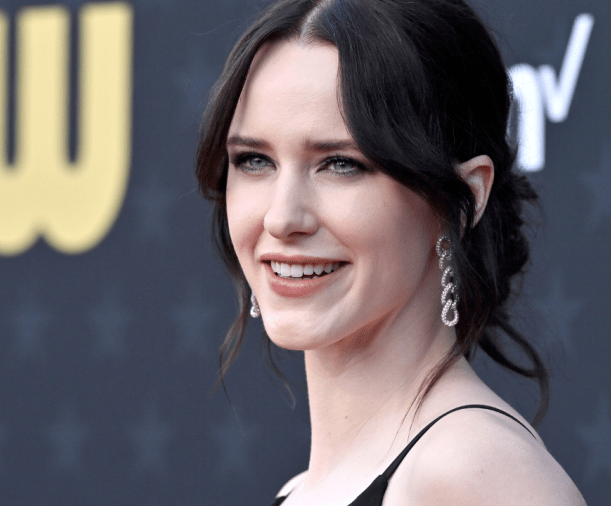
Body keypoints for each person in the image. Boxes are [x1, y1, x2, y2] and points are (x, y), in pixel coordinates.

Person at [196, 0, 586, 504]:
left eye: (340, 164)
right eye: (253, 160)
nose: (281, 218)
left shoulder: (476, 475)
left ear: (462, 199)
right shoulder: (302, 491)